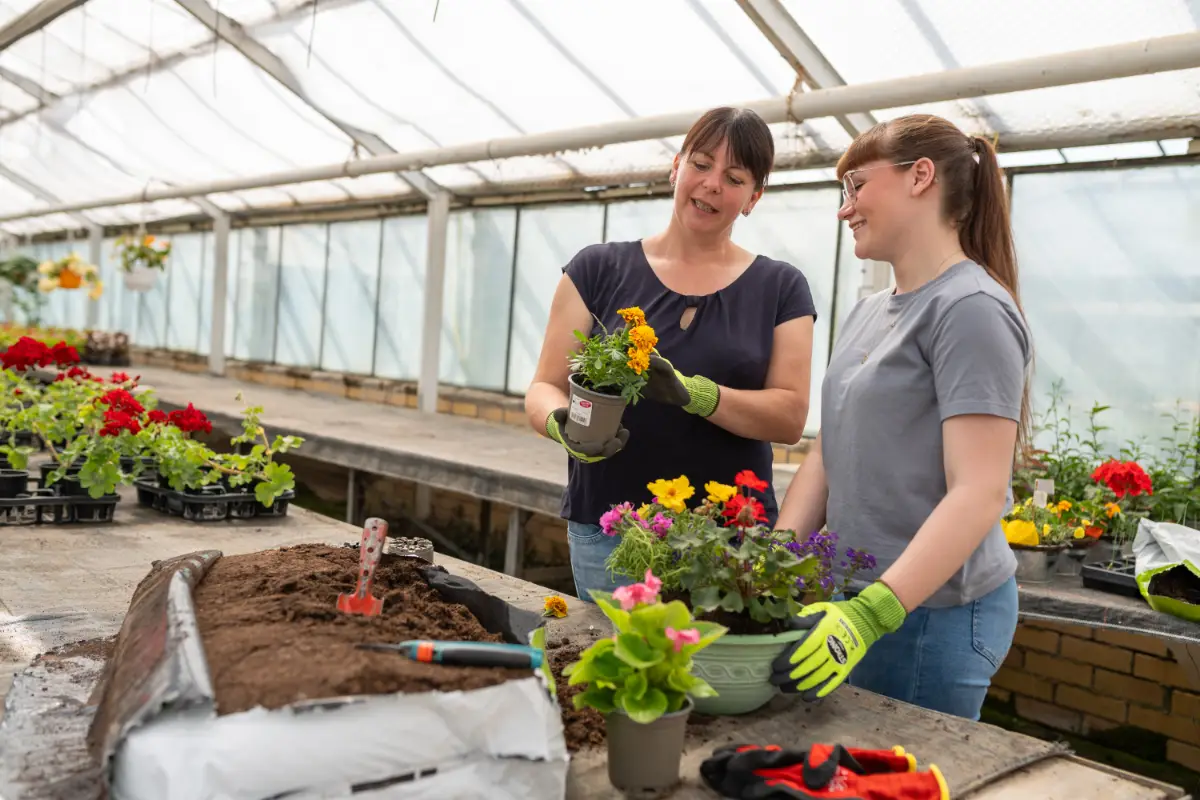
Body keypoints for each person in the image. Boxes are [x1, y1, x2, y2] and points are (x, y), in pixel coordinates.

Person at [769, 113, 1032, 721]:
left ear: (920, 177)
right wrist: (774, 561)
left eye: (856, 185)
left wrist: (872, 614)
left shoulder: (970, 308)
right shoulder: (868, 312)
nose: (845, 208)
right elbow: (829, 452)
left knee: (903, 768)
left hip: (929, 616)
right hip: (849, 602)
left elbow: (979, 491)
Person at [524, 106, 818, 601]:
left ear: (754, 197)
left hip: (727, 543)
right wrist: (562, 424)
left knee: (717, 656)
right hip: (612, 532)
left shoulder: (780, 287)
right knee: (611, 653)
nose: (711, 185)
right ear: (676, 167)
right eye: (700, 164)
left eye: (734, 178)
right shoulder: (597, 270)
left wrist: (696, 395)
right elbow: (544, 385)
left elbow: (789, 417)